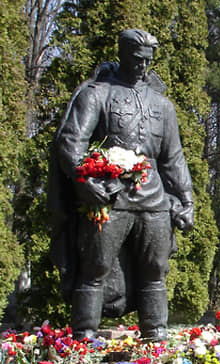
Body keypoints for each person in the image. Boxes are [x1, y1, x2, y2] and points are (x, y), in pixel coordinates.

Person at [49, 29, 194, 342]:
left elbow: (173, 159)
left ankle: (155, 343)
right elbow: (71, 142)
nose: (142, 67)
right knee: (94, 269)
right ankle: (84, 342)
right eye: (136, 59)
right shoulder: (97, 94)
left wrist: (186, 201)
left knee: (155, 271)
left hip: (154, 200)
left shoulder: (163, 105)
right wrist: (82, 178)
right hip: (108, 198)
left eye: (148, 61)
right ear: (123, 54)